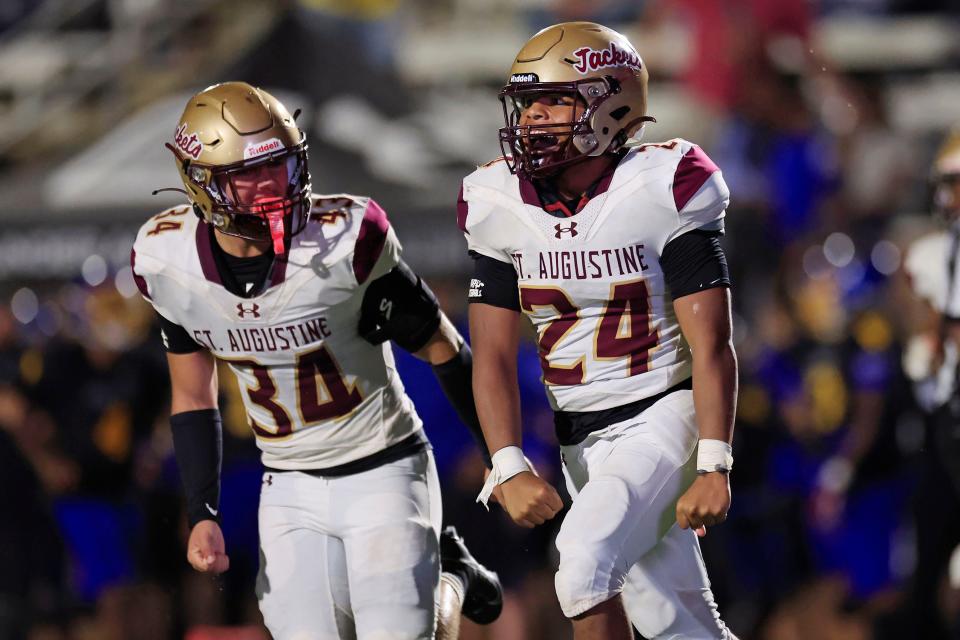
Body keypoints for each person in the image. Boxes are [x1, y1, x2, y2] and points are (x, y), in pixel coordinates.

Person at [131, 81, 500, 640]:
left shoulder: (345, 241)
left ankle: (450, 577)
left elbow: (443, 347)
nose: (272, 188)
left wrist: (505, 457)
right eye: (248, 175)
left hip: (384, 463)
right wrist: (202, 513)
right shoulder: (167, 261)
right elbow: (191, 394)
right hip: (287, 482)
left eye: (279, 167)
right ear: (201, 183)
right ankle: (445, 570)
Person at [460, 22, 738, 640]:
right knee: (675, 624)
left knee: (582, 567)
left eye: (554, 99)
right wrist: (507, 463)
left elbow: (712, 343)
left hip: (663, 414)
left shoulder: (666, 184)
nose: (533, 117)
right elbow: (493, 356)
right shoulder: (496, 200)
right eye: (528, 101)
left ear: (612, 102)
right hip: (579, 436)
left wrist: (715, 461)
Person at [895, 130, 960, 639]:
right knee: (930, 571)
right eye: (948, 183)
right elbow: (919, 348)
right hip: (943, 428)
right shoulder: (930, 254)